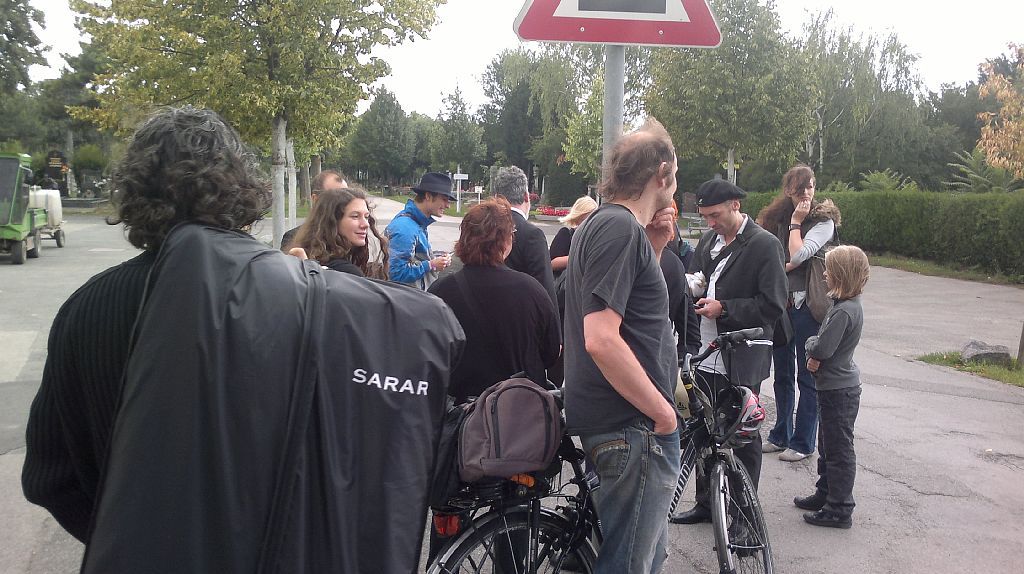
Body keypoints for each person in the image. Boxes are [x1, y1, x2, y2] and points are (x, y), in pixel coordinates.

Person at [22, 107, 465, 573]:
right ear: (239, 188)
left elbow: (50, 477)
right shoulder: (291, 296)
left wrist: (128, 534)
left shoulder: (86, 309)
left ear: (134, 192)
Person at [563, 117, 681, 573]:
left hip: (623, 423)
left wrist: (655, 246)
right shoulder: (618, 228)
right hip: (632, 426)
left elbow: (631, 314)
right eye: (676, 173)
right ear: (662, 173)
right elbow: (601, 339)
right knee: (629, 564)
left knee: (644, 556)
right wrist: (663, 413)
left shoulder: (609, 226)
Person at [425, 198, 560, 562]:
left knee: (450, 513)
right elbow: (551, 353)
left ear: (463, 239)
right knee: (515, 514)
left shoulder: (441, 293)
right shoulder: (532, 291)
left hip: (458, 425)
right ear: (505, 241)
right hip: (516, 426)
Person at [671, 179, 787, 526]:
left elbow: (773, 305)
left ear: (735, 205)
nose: (710, 223)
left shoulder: (765, 244)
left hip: (743, 353)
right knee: (703, 429)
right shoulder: (709, 240)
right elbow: (700, 277)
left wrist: (725, 308)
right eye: (705, 216)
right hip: (707, 350)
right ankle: (707, 503)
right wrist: (692, 287)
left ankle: (743, 515)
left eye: (715, 215)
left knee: (741, 434)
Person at [757, 164, 841, 462]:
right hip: (782, 304)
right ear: (788, 190)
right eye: (800, 187)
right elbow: (765, 254)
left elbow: (799, 254)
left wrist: (796, 222)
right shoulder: (774, 218)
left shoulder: (823, 220)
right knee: (782, 373)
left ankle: (803, 442)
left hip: (808, 304)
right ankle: (781, 433)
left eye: (810, 186)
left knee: (807, 375)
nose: (806, 193)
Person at [796, 245, 869, 529]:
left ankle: (840, 507)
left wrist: (809, 346)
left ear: (841, 274)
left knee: (838, 450)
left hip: (839, 390)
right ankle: (825, 493)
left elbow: (822, 347)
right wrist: (814, 353)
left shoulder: (844, 311)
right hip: (832, 387)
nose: (824, 274)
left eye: (828, 269)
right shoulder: (842, 305)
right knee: (827, 445)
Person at [493, 165, 558, 308]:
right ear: (526, 196)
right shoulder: (532, 235)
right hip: (520, 311)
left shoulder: (483, 227)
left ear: (497, 198)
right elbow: (545, 291)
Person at [290, 186, 389, 278]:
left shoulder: (310, 258)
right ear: (331, 222)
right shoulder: (346, 272)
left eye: (366, 217)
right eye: (355, 216)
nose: (366, 224)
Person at [385, 172, 455, 289]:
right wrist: (431, 265)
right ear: (428, 196)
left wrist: (437, 258)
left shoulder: (416, 223)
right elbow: (396, 274)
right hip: (406, 298)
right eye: (444, 199)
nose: (448, 205)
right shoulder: (405, 228)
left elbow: (415, 257)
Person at [280, 169, 347, 250]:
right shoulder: (293, 238)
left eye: (347, 197)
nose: (344, 203)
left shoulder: (352, 235)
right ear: (315, 199)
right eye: (335, 198)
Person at [549, 195, 598, 280]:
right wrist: (581, 257)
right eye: (585, 220)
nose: (589, 223)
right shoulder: (566, 234)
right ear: (577, 217)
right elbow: (552, 263)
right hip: (565, 284)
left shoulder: (596, 238)